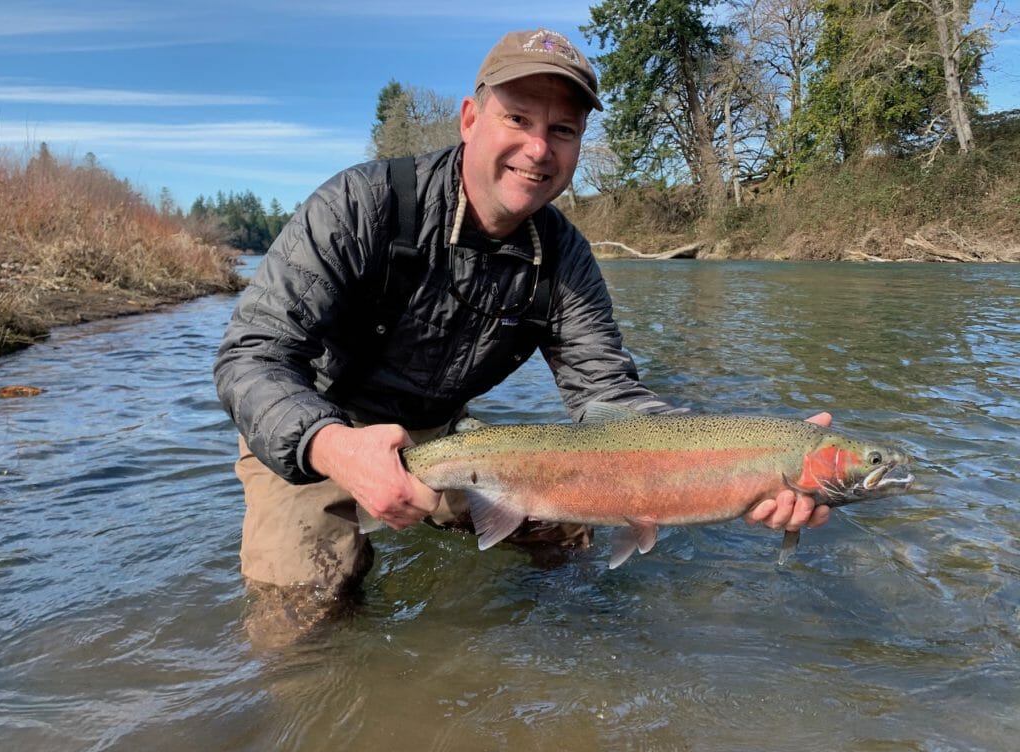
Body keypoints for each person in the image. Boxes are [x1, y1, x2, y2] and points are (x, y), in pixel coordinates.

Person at [214, 28, 830, 644]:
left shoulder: (564, 257)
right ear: (469, 118)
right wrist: (330, 445)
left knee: (570, 540)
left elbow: (607, 396)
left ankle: (550, 655)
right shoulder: (360, 205)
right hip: (313, 432)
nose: (538, 148)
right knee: (301, 628)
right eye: (518, 118)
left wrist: (732, 464)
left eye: (562, 130)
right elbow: (251, 356)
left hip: (452, 441)